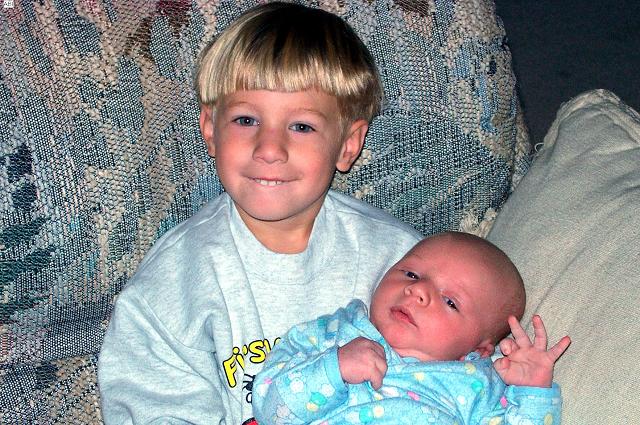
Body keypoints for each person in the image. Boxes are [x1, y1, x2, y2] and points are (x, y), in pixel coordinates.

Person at [97, 3, 422, 424]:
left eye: (301, 126)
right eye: (246, 120)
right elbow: (152, 400)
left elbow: (458, 355)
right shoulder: (178, 275)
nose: (269, 149)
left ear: (347, 145)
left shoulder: (401, 260)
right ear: (210, 130)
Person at [252, 231, 572, 424]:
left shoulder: (478, 386)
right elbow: (269, 409)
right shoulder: (332, 332)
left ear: (478, 349)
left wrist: (533, 393)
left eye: (450, 301)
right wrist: (332, 369)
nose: (418, 290)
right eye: (412, 274)